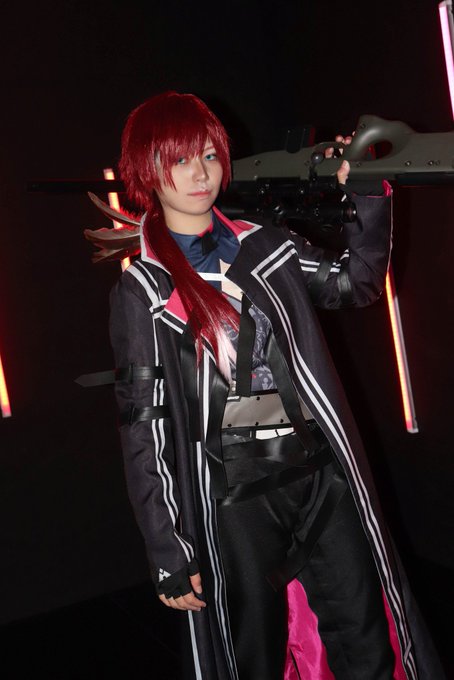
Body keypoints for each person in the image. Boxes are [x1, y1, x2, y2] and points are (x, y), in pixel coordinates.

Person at [94, 91, 435, 680]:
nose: (200, 173)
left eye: (208, 155)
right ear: (147, 171)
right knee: (254, 651)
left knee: (365, 630)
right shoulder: (144, 289)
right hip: (234, 490)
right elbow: (143, 426)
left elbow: (355, 283)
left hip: (317, 464)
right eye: (180, 160)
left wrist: (366, 190)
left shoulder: (267, 244)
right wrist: (168, 547)